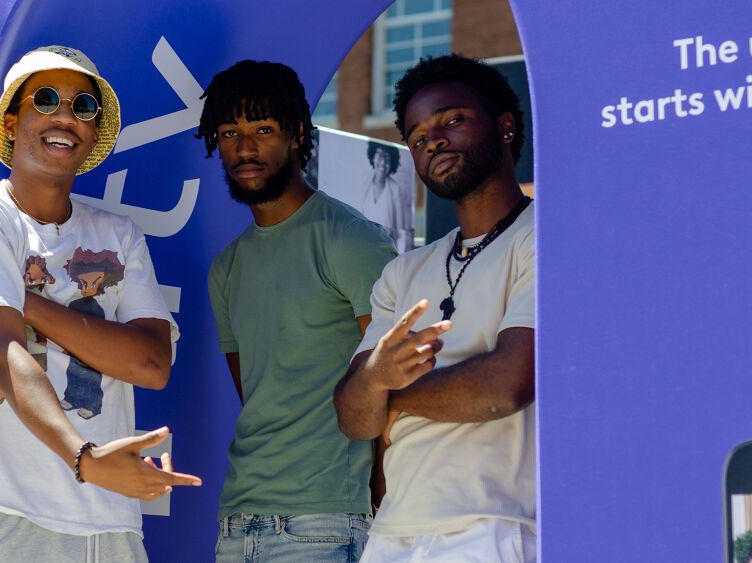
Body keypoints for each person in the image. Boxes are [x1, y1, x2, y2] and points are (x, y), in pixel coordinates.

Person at [0, 45, 201, 562]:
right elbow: (2, 350)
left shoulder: (120, 234)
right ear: (11, 121)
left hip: (107, 520)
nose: (65, 115)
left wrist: (20, 299)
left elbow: (152, 364)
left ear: (92, 133)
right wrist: (84, 458)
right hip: (2, 506)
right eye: (45, 99)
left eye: (82, 106)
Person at [334, 54, 536, 561]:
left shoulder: (544, 236)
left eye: (452, 120)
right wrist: (373, 386)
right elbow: (354, 418)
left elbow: (505, 385)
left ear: (505, 125)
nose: (434, 142)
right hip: (392, 535)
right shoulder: (402, 271)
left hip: (495, 526)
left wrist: (388, 389)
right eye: (419, 138)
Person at [196, 60, 399, 562]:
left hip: (326, 520)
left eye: (263, 129)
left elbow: (398, 383)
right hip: (238, 519)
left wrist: (386, 507)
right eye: (230, 132)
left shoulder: (349, 239)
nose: (245, 148)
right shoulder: (226, 268)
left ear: (297, 135)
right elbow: (259, 397)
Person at [360, 141, 412, 253]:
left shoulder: (396, 189)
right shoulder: (363, 184)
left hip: (386, 253)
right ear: (372, 156)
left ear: (392, 162)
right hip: (363, 249)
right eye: (379, 154)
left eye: (387, 158)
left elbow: (401, 232)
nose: (383, 162)